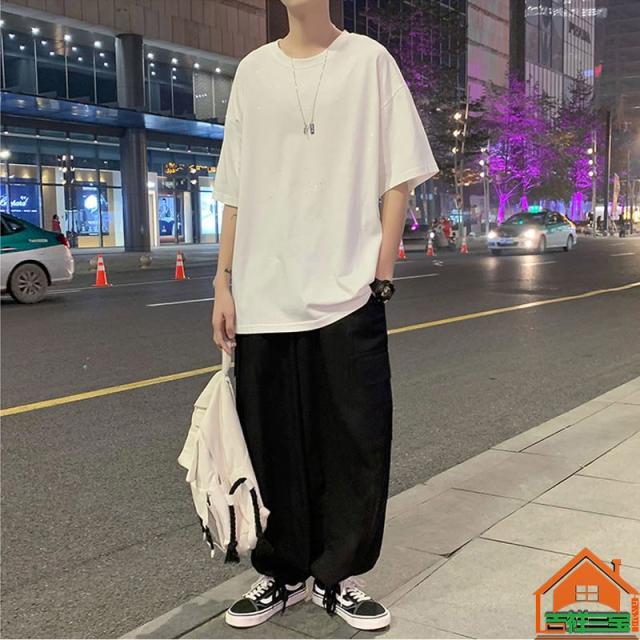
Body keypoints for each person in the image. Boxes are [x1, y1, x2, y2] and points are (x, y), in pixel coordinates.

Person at [211, 1, 438, 632]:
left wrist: (380, 272)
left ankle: (339, 576)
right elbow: (234, 189)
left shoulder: (369, 62)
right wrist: (223, 281)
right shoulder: (253, 71)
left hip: (348, 291)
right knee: (271, 441)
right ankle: (282, 572)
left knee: (355, 440)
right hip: (263, 293)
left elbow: (399, 176)